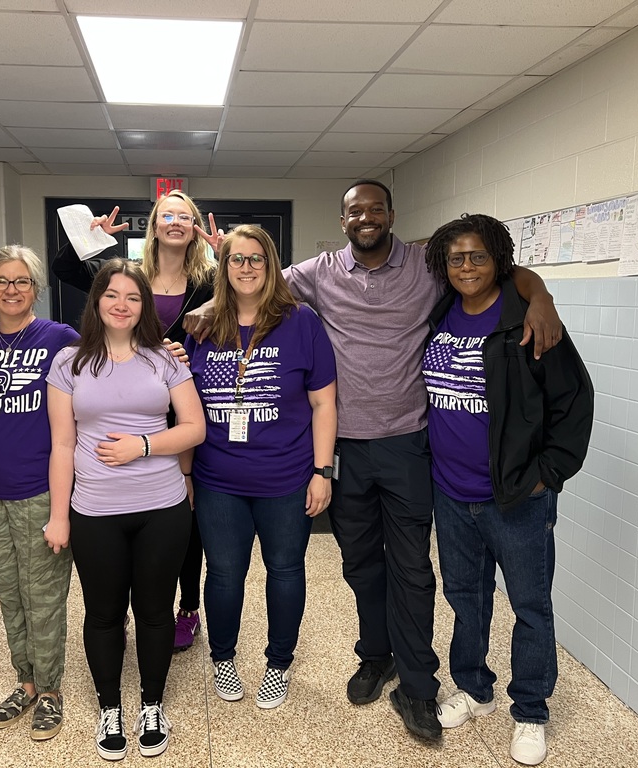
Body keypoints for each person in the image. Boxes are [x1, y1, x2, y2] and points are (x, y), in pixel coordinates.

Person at [185, 179, 564, 741]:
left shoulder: (427, 265)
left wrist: (542, 297)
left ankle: (417, 684)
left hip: (408, 442)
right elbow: (254, 288)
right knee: (360, 563)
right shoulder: (318, 272)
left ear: (390, 214)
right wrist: (210, 299)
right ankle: (376, 654)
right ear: (342, 221)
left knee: (411, 567)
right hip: (344, 448)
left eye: (375, 209)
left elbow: (501, 273)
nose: (365, 218)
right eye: (354, 211)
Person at [421, 214, 593, 765]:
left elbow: (573, 402)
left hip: (516, 497)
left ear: (498, 260)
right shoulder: (440, 311)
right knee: (465, 598)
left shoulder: (527, 320)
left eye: (477, 256)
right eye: (456, 258)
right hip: (450, 493)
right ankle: (474, 688)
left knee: (530, 606)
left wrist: (549, 473)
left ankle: (531, 711)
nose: (466, 267)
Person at [46, 259, 205, 761]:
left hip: (161, 507)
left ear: (144, 307)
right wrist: (58, 515)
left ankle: (152, 706)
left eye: (133, 297)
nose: (121, 304)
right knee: (104, 614)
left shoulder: (165, 360)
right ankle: (110, 708)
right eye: (112, 295)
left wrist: (142, 445)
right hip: (94, 510)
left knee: (155, 612)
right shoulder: (68, 363)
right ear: (96, 301)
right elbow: (62, 446)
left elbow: (194, 427)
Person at [52, 191, 217, 653]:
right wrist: (89, 238)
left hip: (184, 401)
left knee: (183, 514)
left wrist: (226, 259)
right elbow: (66, 270)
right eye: (169, 215)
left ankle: (186, 608)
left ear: (195, 226)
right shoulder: (131, 277)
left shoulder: (209, 280)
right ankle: (118, 611)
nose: (177, 222)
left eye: (186, 216)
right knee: (125, 514)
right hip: (123, 399)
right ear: (156, 225)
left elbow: (253, 292)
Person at [185, 225, 337, 710]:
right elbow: (179, 397)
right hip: (218, 479)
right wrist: (186, 474)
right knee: (225, 573)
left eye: (256, 259)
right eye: (236, 259)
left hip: (287, 478)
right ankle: (224, 658)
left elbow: (324, 404)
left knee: (285, 570)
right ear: (222, 268)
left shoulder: (302, 322)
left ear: (271, 266)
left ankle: (278, 663)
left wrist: (322, 471)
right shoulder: (202, 326)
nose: (246, 268)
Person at [0, 246, 78, 740]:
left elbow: (110, 368)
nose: (11, 289)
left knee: (45, 595)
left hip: (39, 491)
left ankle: (50, 691)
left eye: (21, 281)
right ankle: (25, 682)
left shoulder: (60, 338)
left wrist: (61, 509)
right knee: (10, 596)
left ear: (36, 288)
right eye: (1, 281)